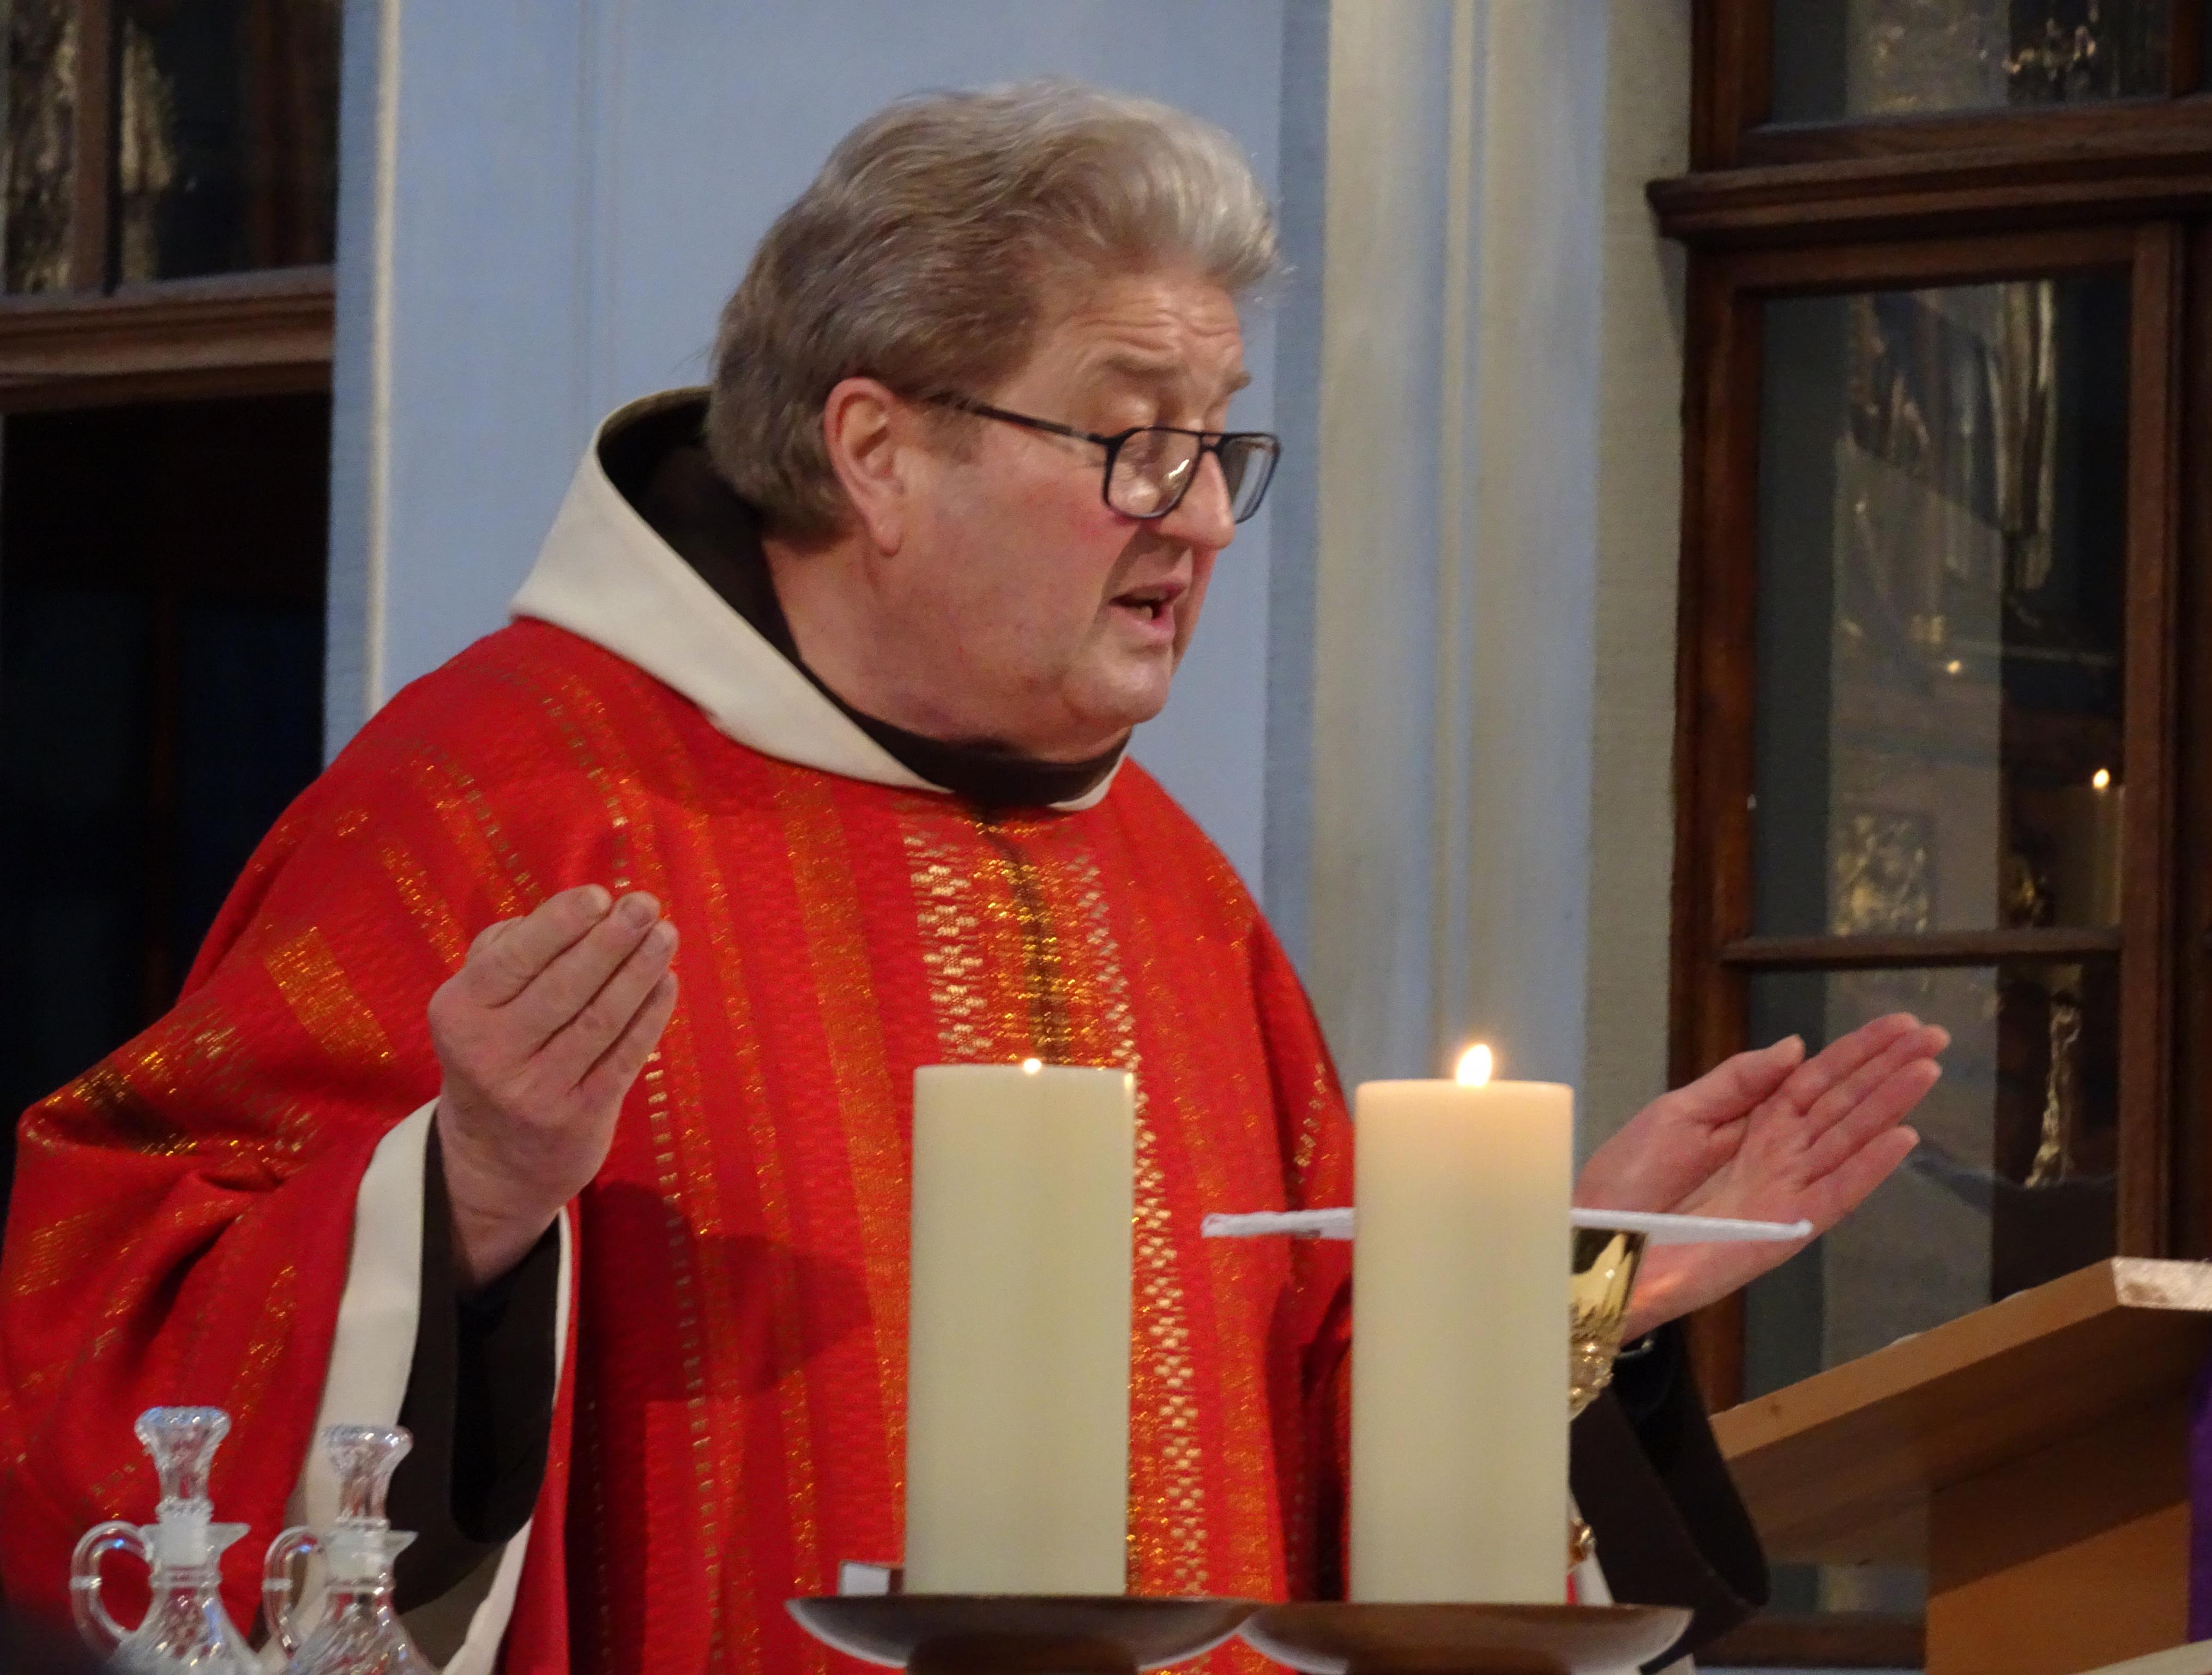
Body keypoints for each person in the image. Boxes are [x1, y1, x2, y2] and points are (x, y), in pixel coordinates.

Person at [0, 82, 1946, 1675]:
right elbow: (114, 1362)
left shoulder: (1166, 888)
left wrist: (1544, 1302)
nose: (1201, 515)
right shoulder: (506, 805)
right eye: (1133, 442)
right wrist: (466, 1202)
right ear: (877, 451)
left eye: (1219, 447)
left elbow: (1301, 1433)